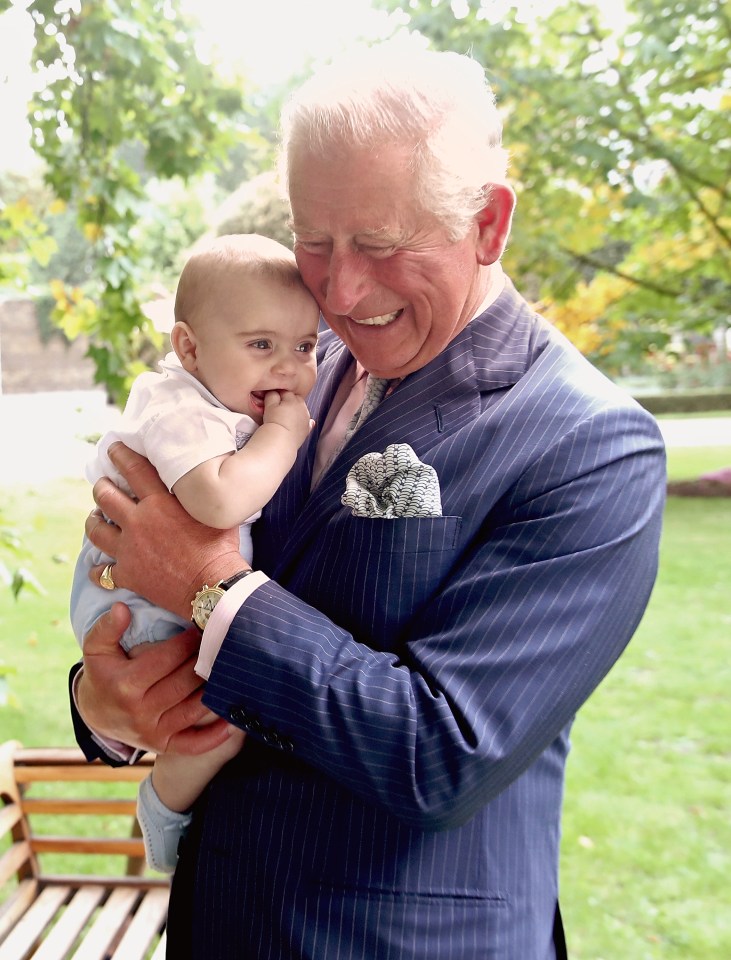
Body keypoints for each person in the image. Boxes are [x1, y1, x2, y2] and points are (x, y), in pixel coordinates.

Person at [68, 40, 666, 959]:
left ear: (488, 225)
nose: (341, 291)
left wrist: (209, 588)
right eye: (316, 240)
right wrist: (106, 706)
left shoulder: (589, 445)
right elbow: (153, 602)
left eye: (382, 246)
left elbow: (442, 753)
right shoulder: (288, 361)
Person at [70, 232, 319, 871]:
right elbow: (218, 502)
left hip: (160, 597)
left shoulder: (223, 396)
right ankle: (162, 808)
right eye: (261, 345)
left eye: (304, 346)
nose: (288, 368)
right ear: (189, 347)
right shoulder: (181, 410)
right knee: (218, 721)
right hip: (140, 607)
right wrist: (285, 435)